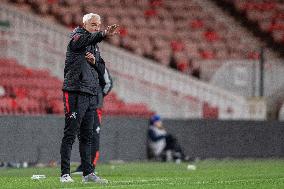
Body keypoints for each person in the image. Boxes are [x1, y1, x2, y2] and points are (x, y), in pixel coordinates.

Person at [60, 13, 118, 183]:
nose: (96, 27)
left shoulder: (95, 46)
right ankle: (65, 174)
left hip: (91, 94)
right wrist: (102, 34)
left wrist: (94, 63)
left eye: (98, 25)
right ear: (84, 24)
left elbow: (102, 70)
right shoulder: (77, 38)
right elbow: (84, 40)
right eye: (93, 24)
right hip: (75, 92)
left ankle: (88, 174)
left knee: (87, 136)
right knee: (70, 134)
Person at [72, 51, 113, 175]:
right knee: (83, 136)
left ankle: (90, 166)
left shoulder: (99, 64)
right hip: (81, 106)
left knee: (93, 136)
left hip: (94, 107)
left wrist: (97, 97)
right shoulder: (77, 65)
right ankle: (84, 165)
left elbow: (108, 84)